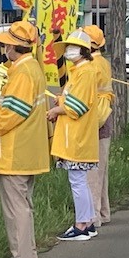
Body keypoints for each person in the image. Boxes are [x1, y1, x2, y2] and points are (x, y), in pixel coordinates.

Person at [0, 22, 50, 258]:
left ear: (13, 46)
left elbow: (13, 112)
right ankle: (28, 256)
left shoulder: (21, 73)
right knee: (23, 205)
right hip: (29, 149)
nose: (3, 48)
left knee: (15, 208)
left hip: (15, 150)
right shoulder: (32, 68)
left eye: (5, 44)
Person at [47, 29, 99, 241]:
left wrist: (56, 109)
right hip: (74, 134)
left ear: (83, 50)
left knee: (77, 180)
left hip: (76, 135)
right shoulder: (80, 72)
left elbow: (77, 106)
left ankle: (81, 225)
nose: (68, 51)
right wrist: (60, 103)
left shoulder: (85, 73)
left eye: (71, 47)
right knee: (79, 181)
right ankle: (87, 222)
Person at [83, 25, 114, 228]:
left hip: (94, 119)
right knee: (101, 169)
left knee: (92, 172)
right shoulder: (103, 62)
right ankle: (103, 211)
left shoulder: (90, 65)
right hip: (105, 117)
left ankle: (93, 217)